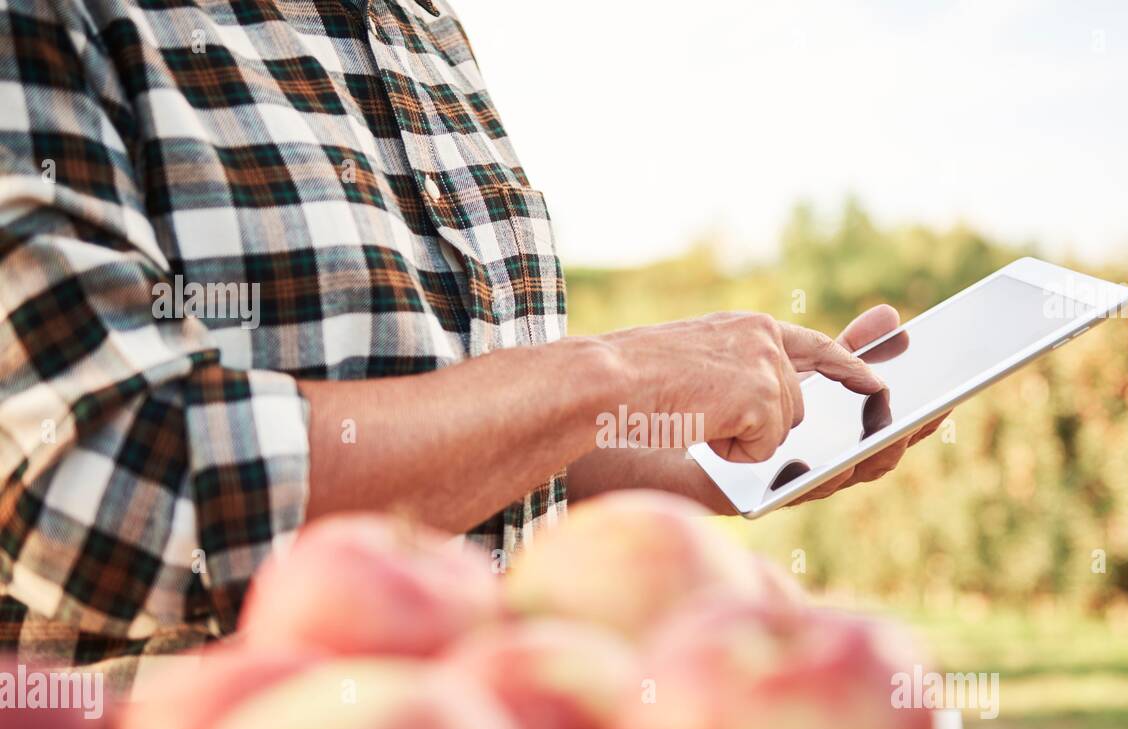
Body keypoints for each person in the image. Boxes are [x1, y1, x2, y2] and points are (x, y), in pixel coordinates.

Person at [0, 0, 938, 675]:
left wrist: (709, 454)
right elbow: (96, 471)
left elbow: (462, 426)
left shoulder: (423, 29)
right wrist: (608, 379)